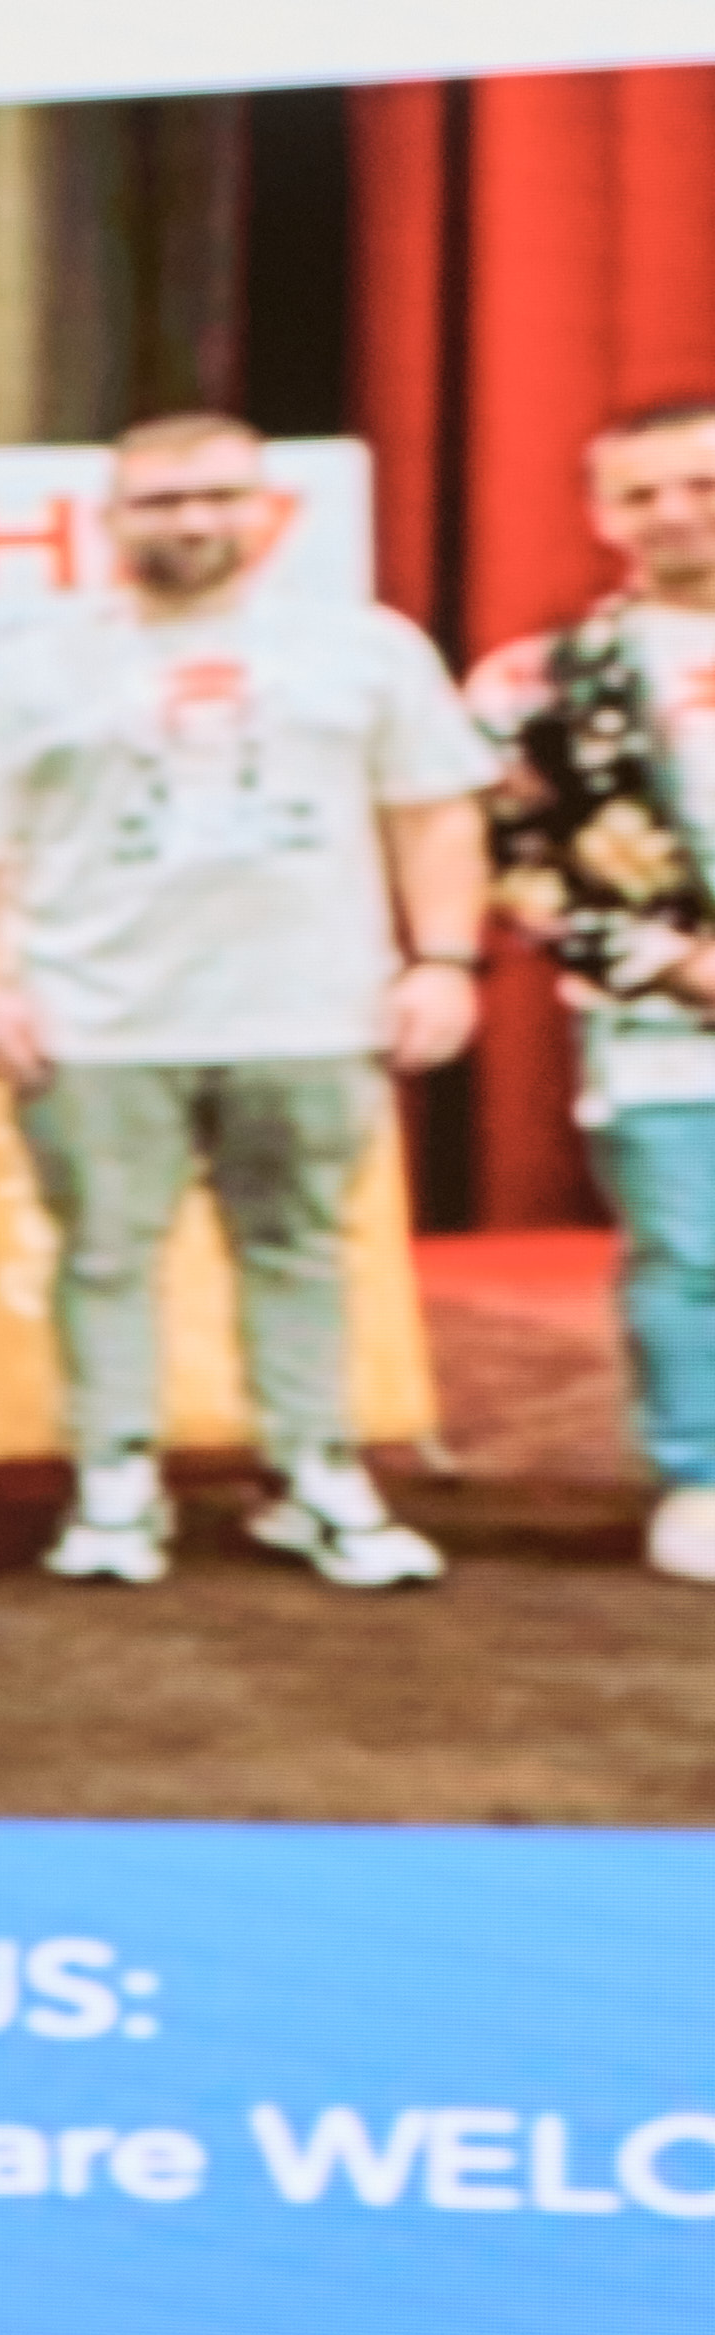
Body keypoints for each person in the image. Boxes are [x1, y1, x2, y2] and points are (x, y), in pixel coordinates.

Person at [0, 410, 491, 1595]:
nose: (192, 520)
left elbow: (435, 810)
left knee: (301, 1247)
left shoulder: (366, 649)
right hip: (95, 1021)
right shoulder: (29, 669)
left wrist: (444, 959)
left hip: (313, 1011)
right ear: (113, 516)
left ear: (266, 509)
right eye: (163, 500)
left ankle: (316, 1472)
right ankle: (118, 1482)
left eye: (219, 496)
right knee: (105, 1254)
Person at [469, 388, 715, 1588]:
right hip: (662, 1020)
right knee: (690, 1252)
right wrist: (675, 962)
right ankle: (699, 1474)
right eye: (640, 492)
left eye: (701, 485)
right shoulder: (540, 682)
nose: (673, 511)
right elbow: (507, 863)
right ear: (601, 513)